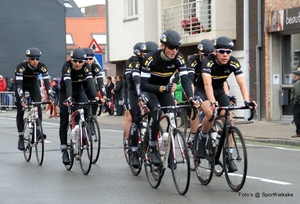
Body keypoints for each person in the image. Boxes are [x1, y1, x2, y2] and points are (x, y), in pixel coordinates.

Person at [194, 36, 256, 172]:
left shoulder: (233, 62)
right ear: (215, 52)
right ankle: (202, 139)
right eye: (222, 51)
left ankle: (229, 155)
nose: (225, 55)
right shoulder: (208, 62)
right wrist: (212, 102)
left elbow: (241, 82)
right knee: (210, 113)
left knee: (229, 118)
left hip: (219, 91)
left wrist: (247, 100)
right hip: (203, 91)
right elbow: (207, 84)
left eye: (228, 52)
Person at [140, 30, 201, 166]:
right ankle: (152, 148)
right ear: (163, 46)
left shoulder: (179, 58)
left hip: (164, 90)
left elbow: (185, 80)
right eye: (171, 47)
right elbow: (144, 85)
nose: (174, 51)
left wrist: (190, 98)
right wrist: (163, 88)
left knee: (172, 114)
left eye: (177, 48)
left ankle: (169, 150)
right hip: (150, 90)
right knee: (156, 110)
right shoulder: (150, 59)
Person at [59, 48, 100, 165]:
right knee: (63, 119)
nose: (77, 64)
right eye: (75, 61)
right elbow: (68, 84)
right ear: (71, 60)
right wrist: (69, 97)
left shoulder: (87, 67)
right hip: (66, 92)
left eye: (80, 61)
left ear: (84, 62)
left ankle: (83, 131)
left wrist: (96, 97)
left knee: (87, 107)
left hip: (79, 90)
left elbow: (90, 83)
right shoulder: (66, 66)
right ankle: (64, 149)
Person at [124, 41, 158, 168]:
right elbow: (135, 80)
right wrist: (139, 96)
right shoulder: (134, 61)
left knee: (156, 112)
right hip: (132, 90)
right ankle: (133, 151)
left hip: (148, 89)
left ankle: (151, 141)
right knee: (136, 118)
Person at [15, 47, 53, 150]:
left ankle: (39, 130)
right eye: (33, 59)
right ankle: (21, 137)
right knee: (20, 110)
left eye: (37, 59)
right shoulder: (21, 67)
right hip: (21, 85)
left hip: (33, 84)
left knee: (38, 104)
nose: (35, 61)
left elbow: (46, 83)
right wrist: (22, 97)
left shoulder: (42, 67)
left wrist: (50, 95)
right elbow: (18, 85)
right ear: (28, 59)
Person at [83, 48, 107, 116]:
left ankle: (92, 119)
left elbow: (100, 82)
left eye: (90, 59)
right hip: (81, 88)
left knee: (95, 103)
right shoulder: (80, 66)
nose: (88, 61)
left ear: (93, 59)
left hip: (92, 89)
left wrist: (104, 95)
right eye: (86, 59)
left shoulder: (95, 67)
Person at [291, 67, 300, 138]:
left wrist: (295, 102)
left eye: (293, 75)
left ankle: (298, 132)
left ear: (296, 76)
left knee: (297, 119)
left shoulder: (297, 83)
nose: (292, 76)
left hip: (297, 104)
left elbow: (298, 94)